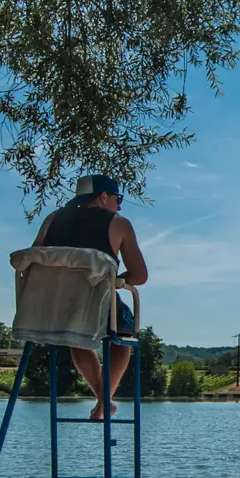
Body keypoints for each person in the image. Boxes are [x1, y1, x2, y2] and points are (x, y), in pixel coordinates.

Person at [32, 173, 149, 421]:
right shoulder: (117, 222)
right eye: (118, 198)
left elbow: (34, 258)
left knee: (79, 337)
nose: (119, 205)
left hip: (52, 308)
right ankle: (105, 402)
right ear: (103, 197)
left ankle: (103, 402)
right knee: (124, 334)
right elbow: (140, 275)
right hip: (97, 303)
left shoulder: (52, 220)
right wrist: (116, 280)